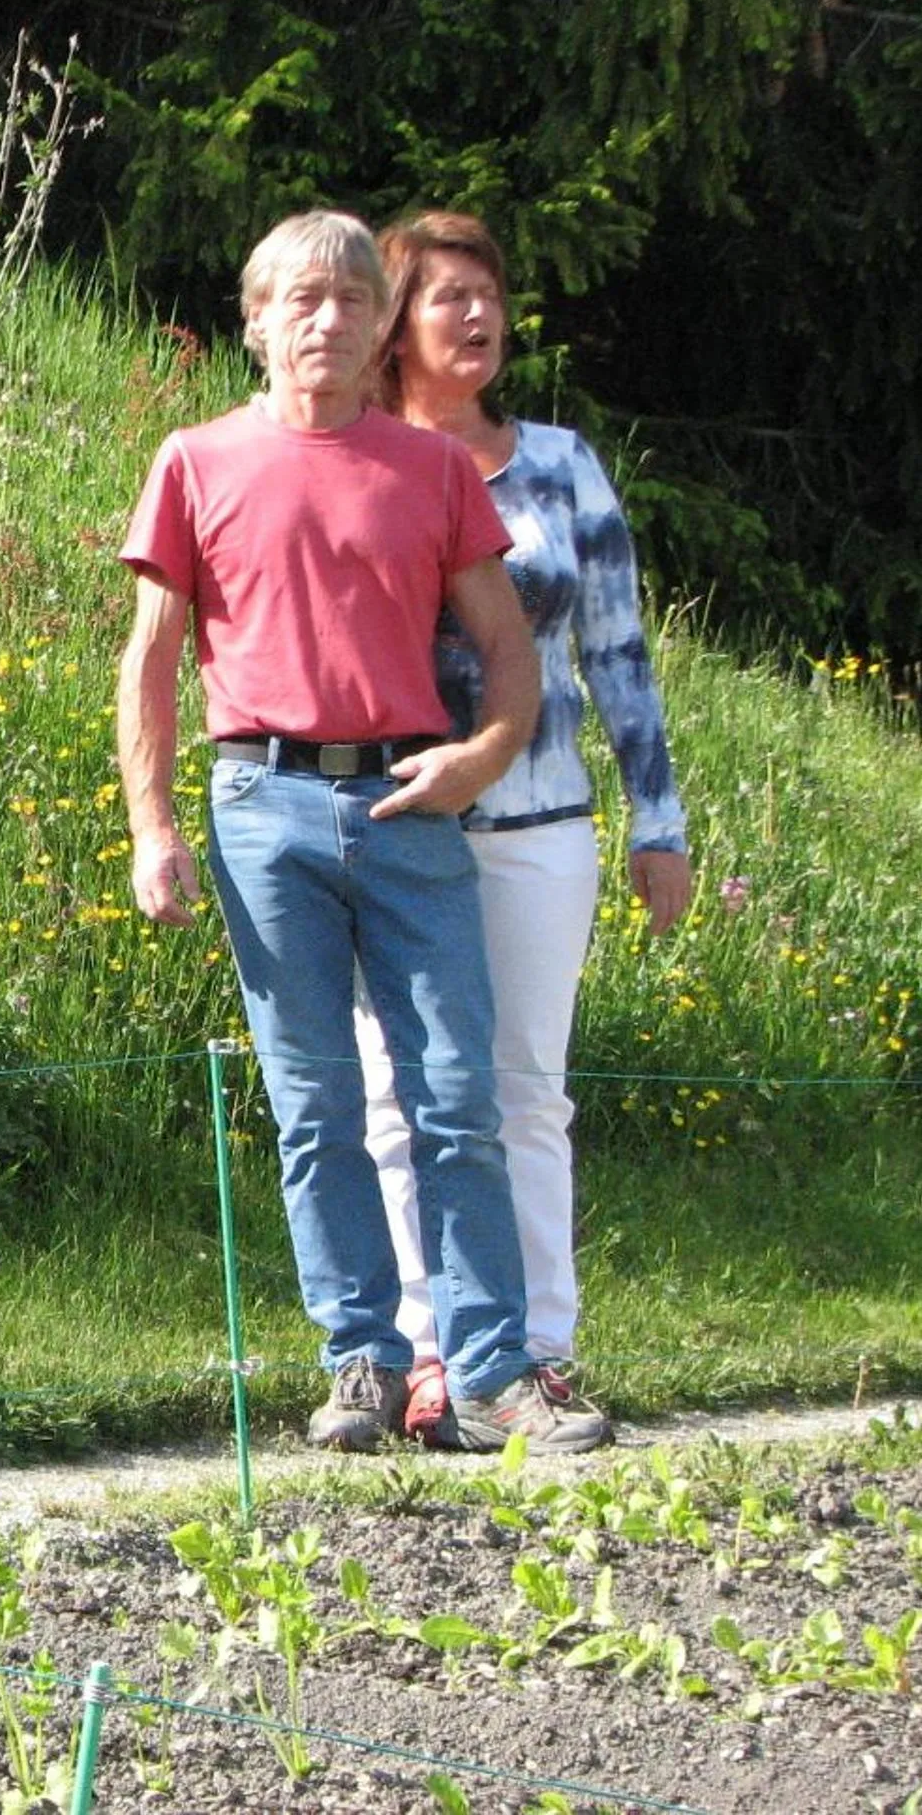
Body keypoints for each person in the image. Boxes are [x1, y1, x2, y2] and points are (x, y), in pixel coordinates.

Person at [115, 208, 609, 1454]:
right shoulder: (193, 460)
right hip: (259, 805)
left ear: (378, 323)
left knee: (454, 1094)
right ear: (255, 322)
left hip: (405, 805)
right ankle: (361, 1366)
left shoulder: (433, 470)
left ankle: (493, 1375)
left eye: (348, 299)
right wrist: (150, 825)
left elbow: (508, 652)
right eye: (299, 300)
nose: (324, 320)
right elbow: (151, 659)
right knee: (314, 1106)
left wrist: (480, 757)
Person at [356, 211, 692, 1449]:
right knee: (398, 1093)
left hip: (539, 824)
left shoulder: (558, 463)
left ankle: (537, 1352)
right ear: (394, 323)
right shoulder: (363, 459)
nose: (475, 317)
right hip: (390, 824)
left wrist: (659, 822)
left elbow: (615, 654)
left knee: (521, 1094)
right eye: (445, 298)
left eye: (486, 295)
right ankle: (430, 1351)